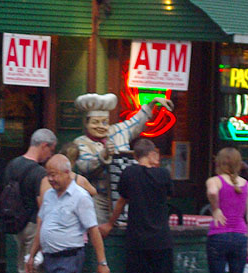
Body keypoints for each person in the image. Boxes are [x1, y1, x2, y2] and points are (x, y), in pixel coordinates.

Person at [107, 138, 174, 273]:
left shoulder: (129, 173)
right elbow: (168, 197)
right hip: (161, 235)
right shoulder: (163, 174)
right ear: (152, 154)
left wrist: (110, 223)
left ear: (136, 156)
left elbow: (121, 201)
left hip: (137, 234)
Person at [68, 92, 171, 223]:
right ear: (86, 123)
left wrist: (152, 103)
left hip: (124, 195)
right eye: (95, 122)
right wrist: (103, 155)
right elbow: (85, 165)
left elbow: (136, 122)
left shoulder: (117, 131)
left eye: (104, 122)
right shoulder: (81, 142)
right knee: (99, 227)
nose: (101, 126)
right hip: (98, 196)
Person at [1, 128, 57, 273]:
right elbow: (45, 205)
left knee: (21, 272)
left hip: (16, 224)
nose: (50, 155)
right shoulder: (39, 173)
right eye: (51, 150)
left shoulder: (12, 165)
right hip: (34, 224)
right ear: (44, 146)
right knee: (31, 272)